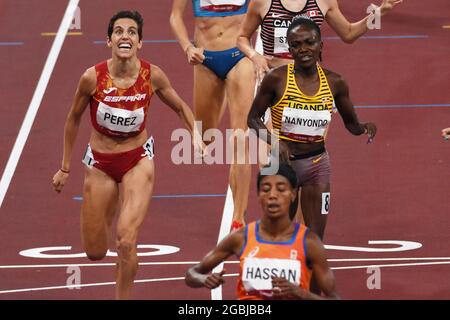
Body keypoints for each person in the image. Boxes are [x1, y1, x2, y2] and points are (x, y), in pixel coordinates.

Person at [52, 10, 201, 299]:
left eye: (132, 32)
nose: (125, 36)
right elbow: (73, 119)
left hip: (137, 160)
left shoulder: (152, 75)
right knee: (95, 251)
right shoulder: (91, 78)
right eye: (119, 31)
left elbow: (182, 107)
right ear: (109, 41)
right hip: (99, 163)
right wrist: (65, 167)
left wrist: (194, 132)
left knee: (126, 241)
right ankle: (106, 221)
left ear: (140, 43)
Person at [247, 16, 376, 241]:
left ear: (320, 45)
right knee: (282, 235)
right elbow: (253, 119)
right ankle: (281, 274)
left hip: (318, 166)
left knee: (315, 240)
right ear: (289, 49)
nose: (304, 49)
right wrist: (275, 142)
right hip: (281, 164)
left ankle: (309, 276)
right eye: (296, 45)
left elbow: (350, 123)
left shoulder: (336, 83)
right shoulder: (275, 79)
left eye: (309, 42)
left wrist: (364, 127)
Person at [185, 163, 339, 300]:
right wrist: (203, 280)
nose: (272, 195)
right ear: (258, 195)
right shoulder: (242, 238)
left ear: (293, 194)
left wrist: (300, 293)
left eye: (281, 189)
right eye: (266, 189)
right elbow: (192, 273)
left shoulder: (309, 243)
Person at [170, 0, 255, 230]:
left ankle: (238, 218)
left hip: (240, 58)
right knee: (205, 138)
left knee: (240, 139)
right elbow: (175, 16)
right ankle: (224, 91)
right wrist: (188, 47)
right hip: (205, 60)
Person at [237, 0, 403, 82]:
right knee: (274, 145)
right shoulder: (262, 2)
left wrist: (380, 13)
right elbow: (242, 37)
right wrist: (255, 56)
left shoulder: (323, 1)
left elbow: (349, 33)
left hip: (310, 81)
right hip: (275, 81)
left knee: (313, 147)